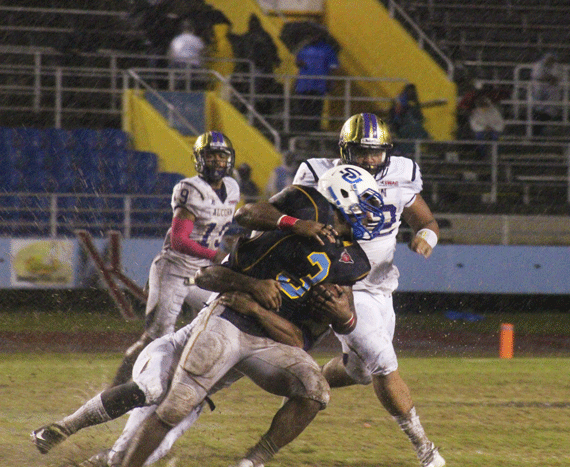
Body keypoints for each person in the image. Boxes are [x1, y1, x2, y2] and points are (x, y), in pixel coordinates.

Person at [45, 166, 383, 467]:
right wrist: (289, 231)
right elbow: (237, 231)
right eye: (366, 204)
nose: (372, 216)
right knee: (154, 391)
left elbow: (299, 340)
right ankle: (67, 426)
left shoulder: (350, 266)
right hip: (204, 334)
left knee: (315, 389)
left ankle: (254, 460)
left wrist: (342, 318)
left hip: (251, 347)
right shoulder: (288, 219)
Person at [287, 113, 445, 467]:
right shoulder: (318, 173)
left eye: (376, 153)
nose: (369, 160)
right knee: (384, 363)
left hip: (381, 286)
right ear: (344, 150)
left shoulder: (402, 172)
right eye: (361, 152)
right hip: (341, 286)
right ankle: (426, 450)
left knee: (360, 371)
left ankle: (306, 383)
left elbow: (426, 220)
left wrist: (426, 237)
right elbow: (294, 218)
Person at [109, 131, 239, 388]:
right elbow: (180, 240)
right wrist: (218, 255)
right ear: (199, 159)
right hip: (175, 269)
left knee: (222, 322)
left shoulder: (233, 188)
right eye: (210, 156)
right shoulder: (190, 189)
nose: (216, 162)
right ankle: (114, 389)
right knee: (156, 337)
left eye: (221, 156)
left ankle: (181, 386)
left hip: (203, 273)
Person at [227, 13, 282, 115]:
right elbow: (273, 50)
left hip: (251, 69)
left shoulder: (248, 36)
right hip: (265, 70)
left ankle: (247, 109)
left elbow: (240, 44)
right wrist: (276, 61)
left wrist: (229, 34)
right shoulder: (265, 36)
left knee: (250, 92)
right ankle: (260, 109)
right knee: (259, 92)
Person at [293, 33, 339, 132]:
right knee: (303, 110)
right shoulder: (303, 49)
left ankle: (313, 130)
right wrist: (299, 63)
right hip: (303, 85)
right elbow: (297, 62)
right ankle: (304, 131)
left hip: (318, 85)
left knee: (316, 110)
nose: (311, 37)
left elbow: (332, 68)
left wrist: (330, 81)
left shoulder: (327, 50)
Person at [388, 83, 430, 154]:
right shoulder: (401, 101)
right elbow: (396, 117)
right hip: (401, 126)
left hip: (408, 127)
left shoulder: (412, 104)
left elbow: (419, 117)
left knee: (416, 131)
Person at [167, 18, 207, 90]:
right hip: (193, 66)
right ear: (192, 29)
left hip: (178, 64)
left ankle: (176, 88)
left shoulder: (176, 39)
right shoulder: (196, 39)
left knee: (179, 79)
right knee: (193, 83)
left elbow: (171, 53)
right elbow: (202, 53)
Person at [530, 52, 563, 137]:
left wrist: (549, 79)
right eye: (548, 59)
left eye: (552, 59)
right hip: (539, 90)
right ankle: (536, 132)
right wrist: (549, 79)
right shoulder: (538, 65)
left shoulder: (556, 66)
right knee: (538, 110)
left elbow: (556, 79)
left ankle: (541, 130)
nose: (550, 61)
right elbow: (538, 77)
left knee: (549, 110)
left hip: (551, 92)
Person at [469, 92, 505, 161]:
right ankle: (482, 156)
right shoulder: (476, 112)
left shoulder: (494, 111)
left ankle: (496, 156)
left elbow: (500, 123)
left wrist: (492, 128)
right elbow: (473, 123)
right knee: (479, 138)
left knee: (496, 138)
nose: (483, 108)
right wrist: (483, 128)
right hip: (480, 130)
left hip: (493, 129)